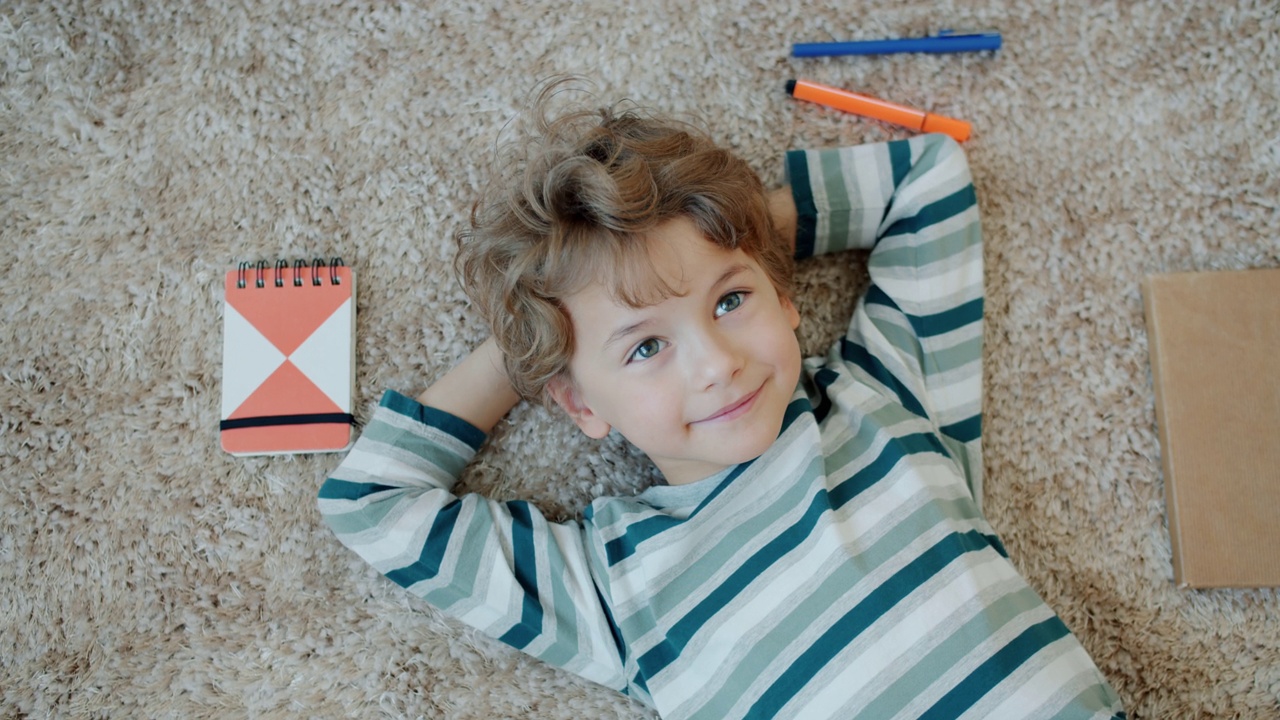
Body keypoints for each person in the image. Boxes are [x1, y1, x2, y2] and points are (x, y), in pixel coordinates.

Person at [317, 87, 1125, 719]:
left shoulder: (885, 400)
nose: (717, 364)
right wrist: (539, 337)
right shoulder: (610, 586)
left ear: (783, 293)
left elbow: (928, 181)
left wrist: (727, 228)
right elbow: (371, 503)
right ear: (579, 405)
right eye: (644, 347)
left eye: (732, 300)